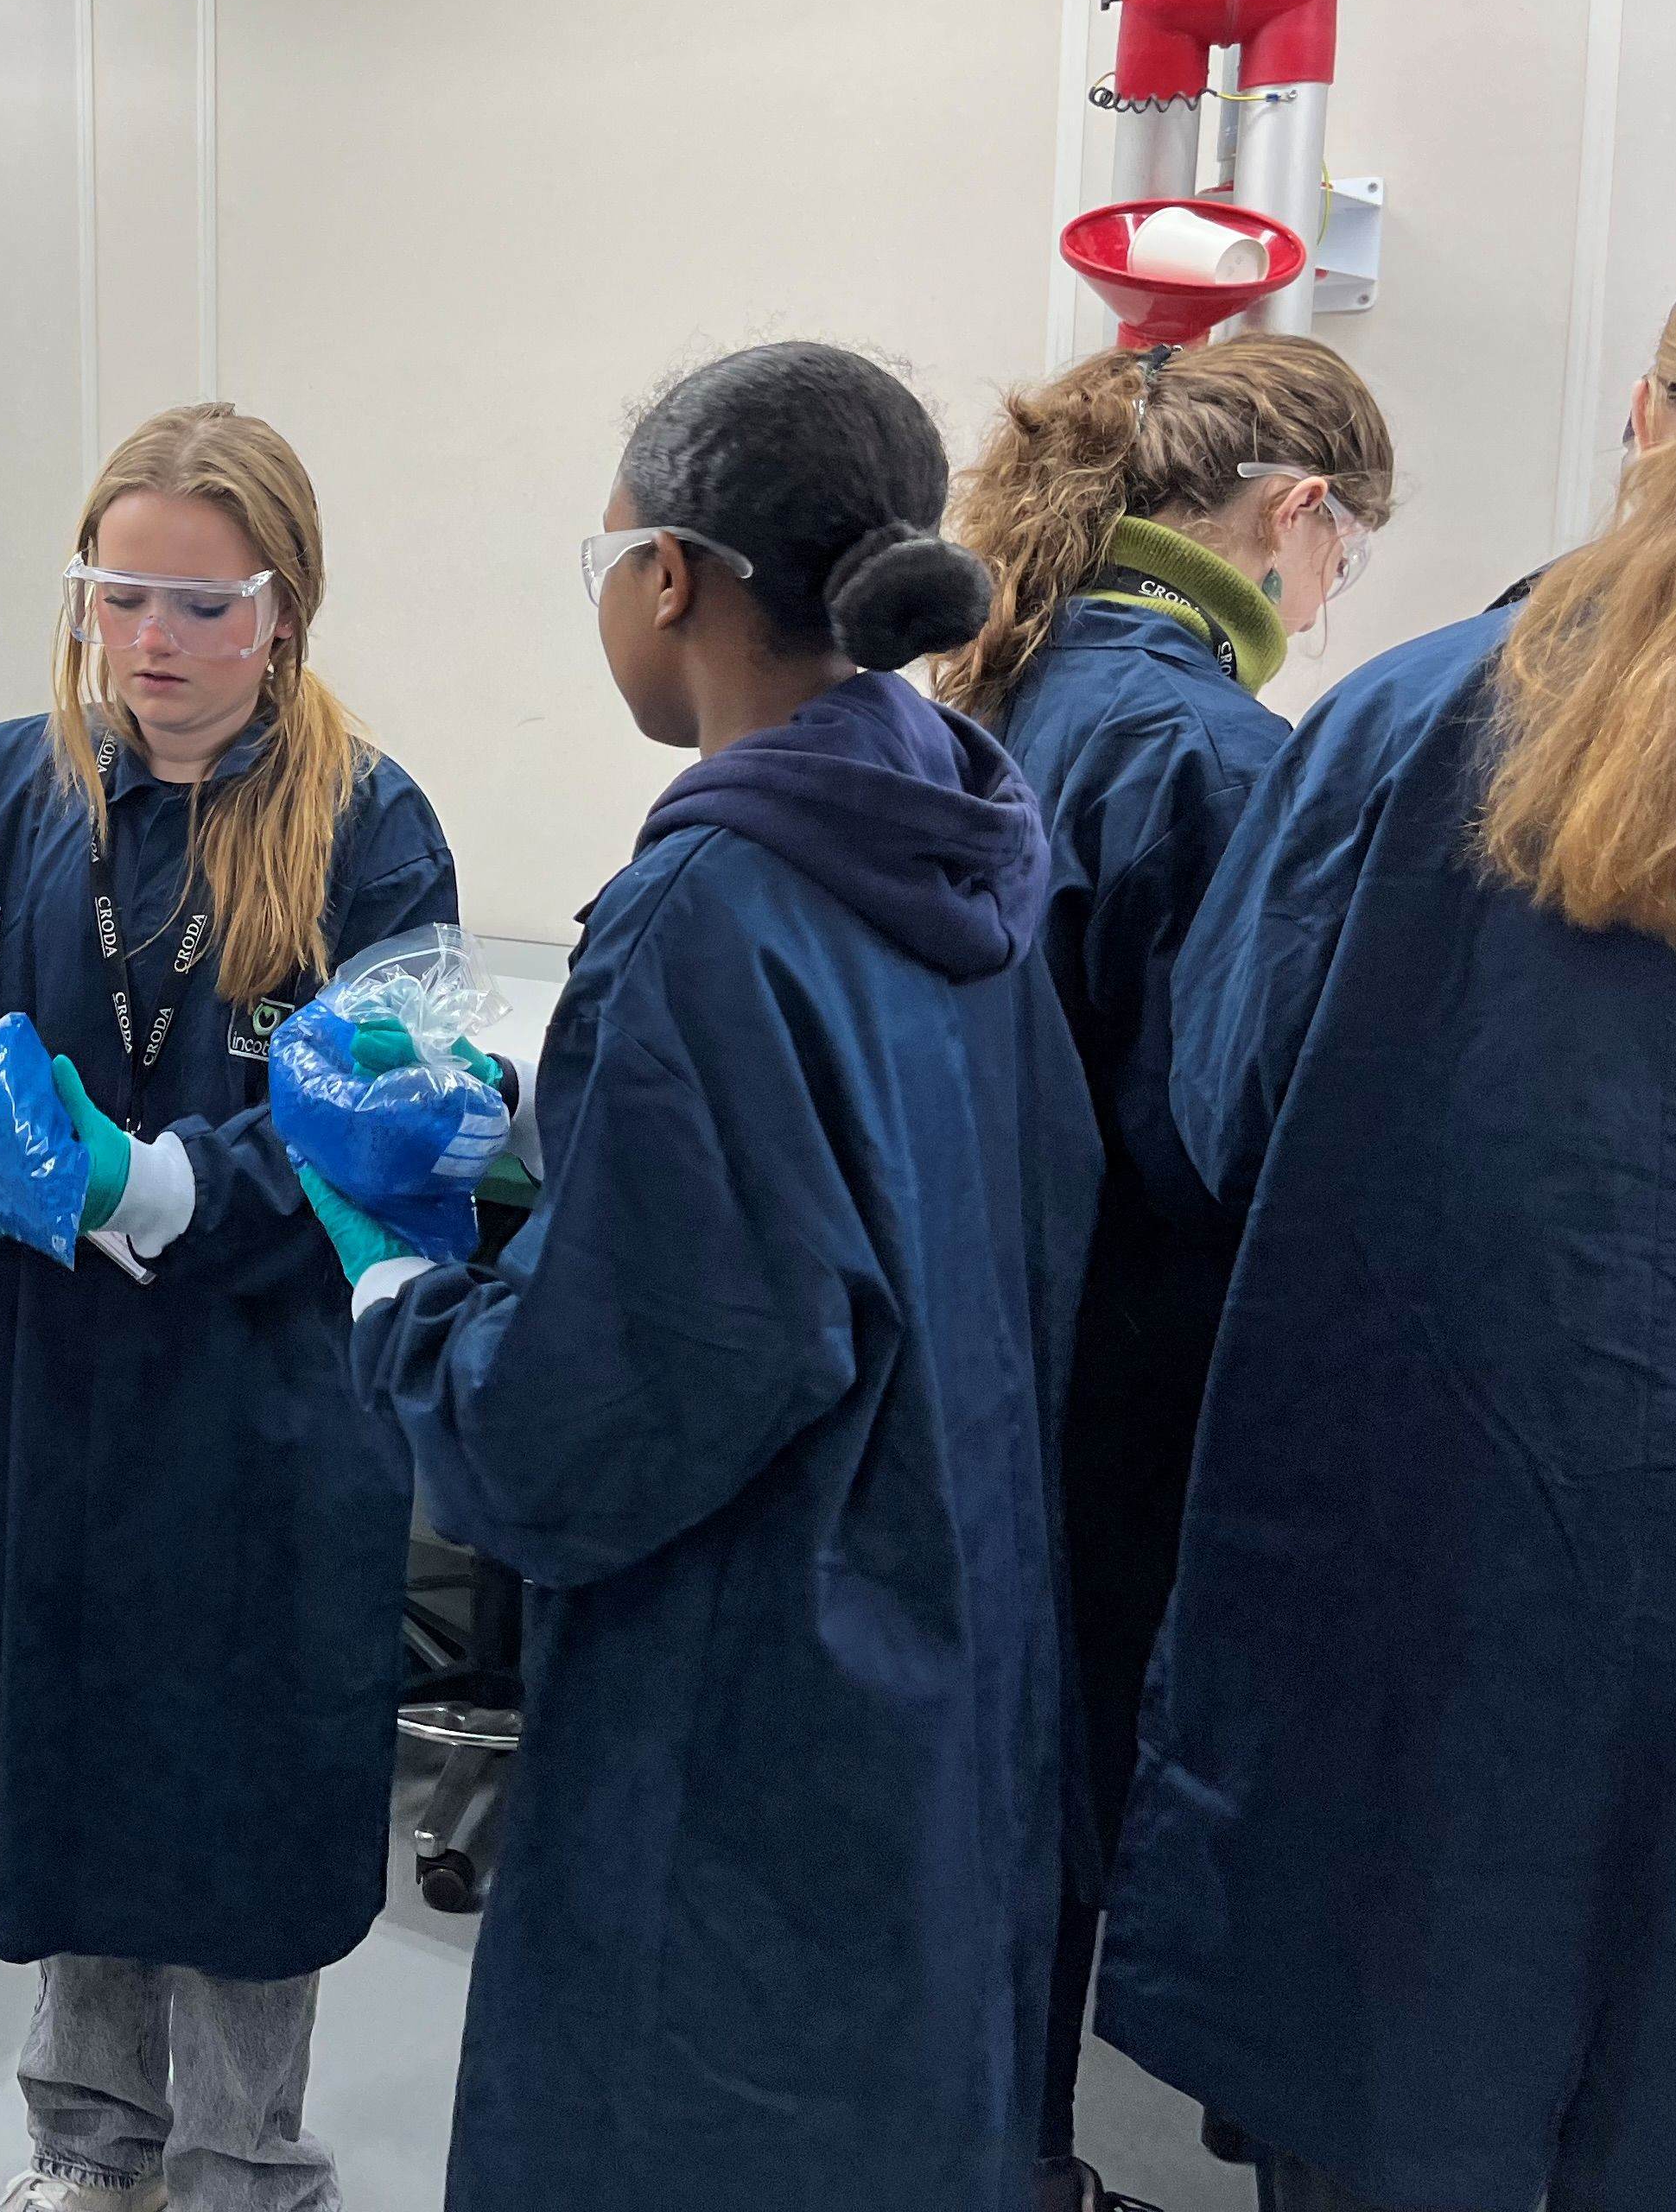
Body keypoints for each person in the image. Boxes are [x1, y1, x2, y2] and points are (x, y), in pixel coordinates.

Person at [298, 344, 1097, 2212]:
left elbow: (593, 1430)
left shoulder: (712, 908)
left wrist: (396, 1280)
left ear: (670, 575)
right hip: (946, 1650)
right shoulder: (963, 845)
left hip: (755, 1715)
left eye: (602, 561)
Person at [1097, 225, 1676, 2212]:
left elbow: (1223, 1112)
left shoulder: (1412, 726)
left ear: (1640, 421)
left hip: (1426, 1637)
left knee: (1398, 2111)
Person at [0, 403, 459, 2212]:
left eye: (199, 604)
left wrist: (152, 1184)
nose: (152, 642)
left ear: (282, 609)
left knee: (242, 1785)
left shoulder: (367, 825)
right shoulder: (9, 786)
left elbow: (387, 1148)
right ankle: (90, 2150)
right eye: (117, 594)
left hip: (262, 1396)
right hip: (55, 1386)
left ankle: (249, 2166)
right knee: (78, 1759)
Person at [935, 335, 1397, 2212]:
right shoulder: (1215, 750)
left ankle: (996, 2149)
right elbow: (1231, 1121)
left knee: (1006, 1783)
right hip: (1129, 1355)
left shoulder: (1013, 684)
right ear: (1296, 517)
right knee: (1081, 1778)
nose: (1335, 589)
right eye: (1346, 549)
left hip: (989, 1330)